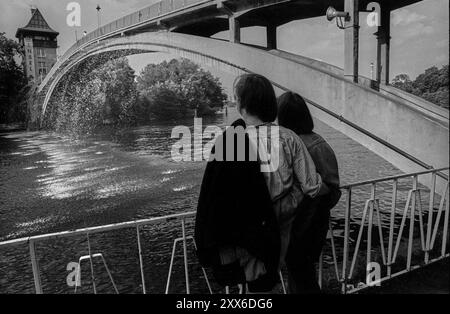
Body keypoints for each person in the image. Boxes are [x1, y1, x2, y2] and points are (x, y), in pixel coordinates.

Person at [195, 74, 328, 293]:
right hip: (278, 229)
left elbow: (215, 194)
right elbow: (313, 187)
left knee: (249, 286)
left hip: (242, 230)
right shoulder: (288, 138)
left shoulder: (228, 142)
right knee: (268, 282)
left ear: (241, 104)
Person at [278, 91, 341, 294]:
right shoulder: (319, 143)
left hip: (297, 224)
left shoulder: (288, 145)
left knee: (301, 275)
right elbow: (332, 190)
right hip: (315, 223)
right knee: (302, 273)